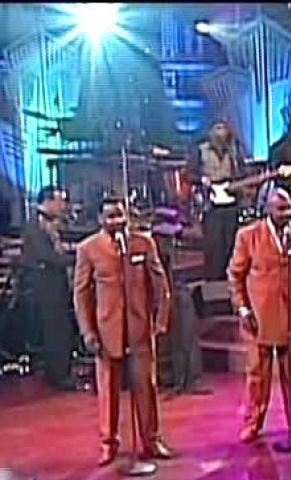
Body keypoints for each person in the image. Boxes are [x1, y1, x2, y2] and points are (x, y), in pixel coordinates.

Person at [73, 198, 173, 466]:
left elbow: (160, 285)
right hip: (106, 332)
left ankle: (150, 439)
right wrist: (87, 332)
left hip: (140, 329)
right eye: (110, 216)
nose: (116, 221)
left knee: (146, 386)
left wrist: (161, 320)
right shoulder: (88, 249)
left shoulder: (143, 243)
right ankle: (109, 443)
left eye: (120, 215)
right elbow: (82, 295)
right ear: (100, 220)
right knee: (108, 389)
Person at [228, 188, 291, 448]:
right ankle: (253, 423)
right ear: (268, 209)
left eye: (289, 208)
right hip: (258, 320)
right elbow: (235, 275)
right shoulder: (248, 236)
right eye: (280, 209)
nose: (286, 213)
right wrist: (243, 309)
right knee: (258, 374)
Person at [20, 186, 75, 390]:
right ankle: (59, 375)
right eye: (60, 201)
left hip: (56, 284)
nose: (63, 206)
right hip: (44, 286)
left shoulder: (52, 224)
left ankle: (61, 371)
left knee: (62, 328)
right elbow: (46, 256)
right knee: (55, 330)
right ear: (48, 201)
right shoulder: (34, 226)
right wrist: (76, 258)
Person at [188, 120, 248, 280]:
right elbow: (190, 173)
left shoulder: (234, 149)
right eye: (218, 128)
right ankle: (214, 278)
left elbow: (243, 172)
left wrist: (238, 183)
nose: (221, 132)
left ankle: (231, 275)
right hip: (211, 200)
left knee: (231, 240)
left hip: (231, 198)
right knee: (214, 243)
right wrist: (203, 180)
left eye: (224, 128)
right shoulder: (200, 150)